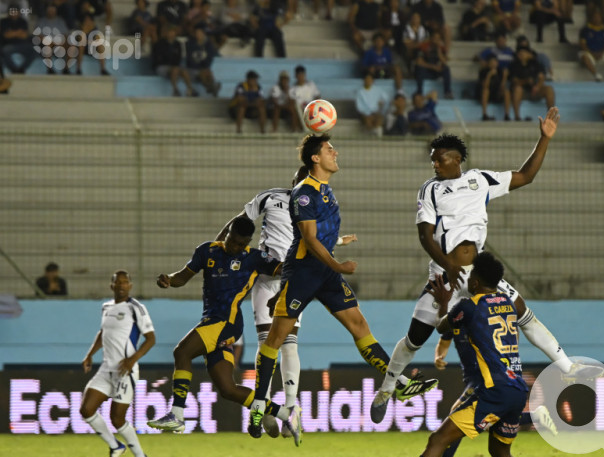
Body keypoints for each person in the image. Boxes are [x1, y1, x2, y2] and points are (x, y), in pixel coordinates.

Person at [370, 109, 603, 423]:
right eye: (432, 159)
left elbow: (526, 176)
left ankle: (568, 368)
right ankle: (387, 389)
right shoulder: (431, 190)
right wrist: (447, 266)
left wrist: (544, 138)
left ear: (456, 159)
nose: (434, 163)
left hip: (477, 273)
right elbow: (425, 236)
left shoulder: (480, 180)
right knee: (414, 340)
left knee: (523, 314)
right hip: (444, 275)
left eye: (439, 158)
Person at [247, 134, 438, 440]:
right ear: (315, 159)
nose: (336, 152)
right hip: (303, 273)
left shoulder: (325, 191)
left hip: (326, 273)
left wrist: (336, 250)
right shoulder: (305, 193)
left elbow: (320, 236)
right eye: (328, 149)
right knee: (276, 338)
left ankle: (395, 383)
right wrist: (338, 265)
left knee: (359, 325)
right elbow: (308, 240)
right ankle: (258, 405)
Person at [364, 252, 557, 457]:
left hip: (492, 391)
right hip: (517, 388)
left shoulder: (467, 306)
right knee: (500, 452)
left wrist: (444, 303)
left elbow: (444, 327)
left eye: (471, 278)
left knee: (438, 440)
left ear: (475, 282)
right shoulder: (507, 302)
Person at [216, 167, 358, 438]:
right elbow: (239, 221)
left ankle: (291, 406)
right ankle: (265, 407)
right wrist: (217, 247)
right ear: (296, 181)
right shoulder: (270, 197)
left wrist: (339, 241)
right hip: (266, 276)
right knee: (266, 343)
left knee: (288, 343)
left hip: (294, 280)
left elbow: (316, 240)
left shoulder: (317, 207)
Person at [147, 216, 303, 441]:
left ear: (249, 241)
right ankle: (285, 413)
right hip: (212, 321)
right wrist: (169, 280)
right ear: (227, 233)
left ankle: (177, 415)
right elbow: (182, 277)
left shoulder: (255, 258)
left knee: (181, 352)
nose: (236, 247)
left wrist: (282, 292)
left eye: (242, 244)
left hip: (226, 324)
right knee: (228, 389)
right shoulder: (207, 251)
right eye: (233, 241)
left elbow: (285, 270)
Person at [79, 270, 155, 457]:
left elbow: (151, 338)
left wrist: (132, 360)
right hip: (106, 368)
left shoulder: (135, 308)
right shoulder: (106, 307)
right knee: (86, 410)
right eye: (117, 282)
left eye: (125, 282)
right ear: (111, 286)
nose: (121, 285)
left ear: (130, 285)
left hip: (125, 370)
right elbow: (103, 332)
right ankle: (115, 446)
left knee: (117, 418)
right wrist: (89, 354)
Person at [153, 25, 198, 97]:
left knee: (183, 71)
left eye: (173, 32)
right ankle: (175, 90)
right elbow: (159, 58)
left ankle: (190, 89)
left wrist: (172, 61)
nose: (171, 34)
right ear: (166, 33)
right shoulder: (159, 43)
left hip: (174, 66)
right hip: (161, 67)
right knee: (175, 69)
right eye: (170, 32)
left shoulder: (178, 44)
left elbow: (178, 58)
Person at [578, 9, 604, 82]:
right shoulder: (585, 30)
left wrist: (603, 52)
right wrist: (593, 53)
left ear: (601, 18)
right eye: (595, 17)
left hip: (603, 53)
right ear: (591, 18)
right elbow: (583, 45)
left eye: (598, 17)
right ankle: (596, 75)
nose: (597, 19)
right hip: (590, 53)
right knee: (584, 57)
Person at [413, 30, 452, 98]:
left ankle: (447, 92)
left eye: (438, 38)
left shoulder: (441, 48)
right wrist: (433, 67)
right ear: (431, 38)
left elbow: (444, 62)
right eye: (434, 38)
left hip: (435, 72)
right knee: (419, 69)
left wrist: (438, 51)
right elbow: (419, 62)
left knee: (446, 69)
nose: (436, 40)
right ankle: (419, 92)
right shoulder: (424, 46)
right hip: (425, 71)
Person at [1, 3, 38, 74]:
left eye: (16, 11)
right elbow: (6, 35)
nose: (14, 13)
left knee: (34, 51)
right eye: (12, 11)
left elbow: (24, 36)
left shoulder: (23, 21)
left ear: (18, 12)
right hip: (8, 45)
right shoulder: (4, 21)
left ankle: (21, 69)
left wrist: (12, 33)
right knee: (4, 50)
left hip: (22, 45)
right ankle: (14, 69)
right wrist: (18, 32)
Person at [185, 26, 221, 97]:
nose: (198, 35)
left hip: (203, 69)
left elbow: (209, 59)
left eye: (200, 33)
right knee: (204, 72)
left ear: (204, 34)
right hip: (192, 69)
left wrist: (203, 66)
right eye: (197, 33)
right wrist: (200, 66)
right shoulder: (191, 44)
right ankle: (212, 87)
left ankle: (211, 88)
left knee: (207, 72)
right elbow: (189, 59)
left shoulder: (208, 45)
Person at [229, 70, 266, 134]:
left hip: (249, 109)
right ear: (248, 79)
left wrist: (251, 103)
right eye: (253, 79)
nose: (255, 81)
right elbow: (240, 100)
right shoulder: (241, 86)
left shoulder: (258, 87)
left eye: (255, 79)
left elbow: (261, 101)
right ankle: (238, 130)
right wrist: (253, 103)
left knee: (261, 108)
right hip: (235, 109)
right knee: (242, 108)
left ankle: (262, 130)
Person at [355, 72, 388, 136]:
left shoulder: (378, 90)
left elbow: (385, 100)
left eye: (370, 79)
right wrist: (368, 113)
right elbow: (359, 107)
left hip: (376, 112)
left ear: (372, 81)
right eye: (366, 79)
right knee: (368, 120)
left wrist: (381, 109)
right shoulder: (360, 92)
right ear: (364, 80)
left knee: (379, 119)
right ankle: (369, 136)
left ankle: (378, 136)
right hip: (364, 113)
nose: (368, 81)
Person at [478, 54, 510, 121]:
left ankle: (507, 115)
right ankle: (484, 114)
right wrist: (489, 75)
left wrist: (504, 78)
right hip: (486, 95)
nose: (493, 64)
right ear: (488, 63)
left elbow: (502, 86)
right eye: (491, 62)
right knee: (485, 91)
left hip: (497, 93)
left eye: (494, 62)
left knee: (506, 92)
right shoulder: (483, 71)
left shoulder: (500, 71)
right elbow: (485, 86)